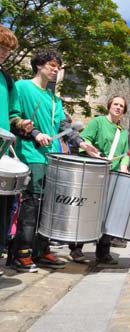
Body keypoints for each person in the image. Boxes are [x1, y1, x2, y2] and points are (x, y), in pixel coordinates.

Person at [8, 50, 97, 272]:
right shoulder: (21, 86)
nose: (56, 69)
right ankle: (21, 253)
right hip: (29, 153)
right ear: (39, 65)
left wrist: (82, 143)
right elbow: (13, 117)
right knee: (32, 204)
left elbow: (63, 127)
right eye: (52, 65)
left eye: (58, 66)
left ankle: (41, 250)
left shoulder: (55, 99)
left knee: (48, 205)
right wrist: (33, 131)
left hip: (50, 158)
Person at [68, 95, 130, 265]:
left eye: (121, 106)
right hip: (94, 171)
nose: (118, 107)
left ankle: (103, 252)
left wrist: (124, 166)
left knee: (108, 214)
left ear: (124, 111)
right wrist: (94, 153)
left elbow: (125, 154)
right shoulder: (98, 122)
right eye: (115, 104)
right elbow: (86, 140)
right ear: (109, 106)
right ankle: (76, 248)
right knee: (86, 209)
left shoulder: (123, 132)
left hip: (113, 174)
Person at [0, 24, 21, 276]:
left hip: (3, 148)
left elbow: (14, 113)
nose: (4, 52)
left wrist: (20, 123)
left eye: (8, 49)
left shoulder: (7, 79)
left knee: (3, 205)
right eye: (1, 47)